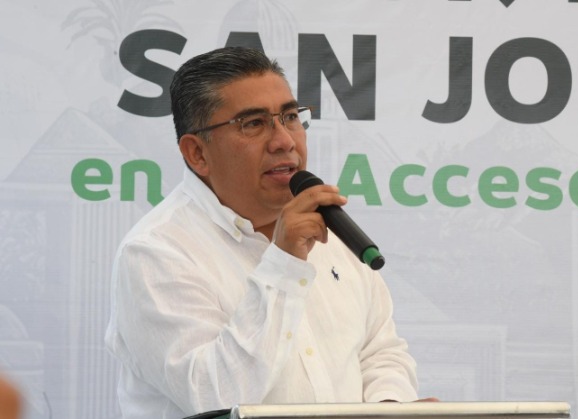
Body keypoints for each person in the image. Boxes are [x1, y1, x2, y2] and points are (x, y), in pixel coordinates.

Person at [105, 46, 426, 419]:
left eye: (290, 117)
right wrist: (285, 263)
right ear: (197, 153)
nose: (285, 140)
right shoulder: (156, 253)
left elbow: (379, 352)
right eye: (254, 123)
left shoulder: (331, 230)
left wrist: (389, 409)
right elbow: (216, 397)